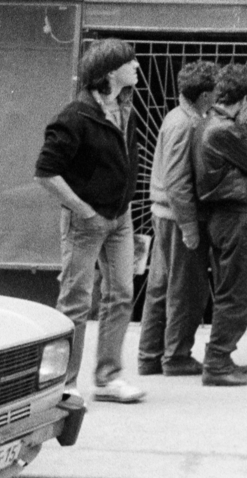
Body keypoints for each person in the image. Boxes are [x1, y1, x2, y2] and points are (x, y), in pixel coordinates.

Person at [34, 38, 147, 404]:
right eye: (130, 63)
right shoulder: (74, 116)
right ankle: (62, 384)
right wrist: (84, 210)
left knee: (121, 295)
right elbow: (46, 173)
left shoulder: (126, 108)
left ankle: (108, 378)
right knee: (76, 302)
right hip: (86, 221)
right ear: (110, 72)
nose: (137, 67)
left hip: (120, 217)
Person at [136, 59, 218, 377]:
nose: (216, 98)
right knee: (186, 288)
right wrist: (189, 227)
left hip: (165, 215)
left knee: (160, 286)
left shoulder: (177, 117)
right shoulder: (186, 124)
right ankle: (176, 356)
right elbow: (177, 181)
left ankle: (149, 355)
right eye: (213, 92)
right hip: (177, 217)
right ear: (203, 96)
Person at [193, 63, 247, 386]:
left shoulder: (210, 124)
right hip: (235, 217)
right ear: (245, 100)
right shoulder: (226, 128)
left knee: (231, 288)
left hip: (225, 217)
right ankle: (218, 361)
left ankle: (219, 356)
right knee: (239, 291)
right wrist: (244, 123)